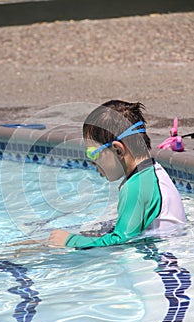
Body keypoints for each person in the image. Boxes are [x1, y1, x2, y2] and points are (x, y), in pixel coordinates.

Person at [49, 100, 186, 248]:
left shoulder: (136, 187)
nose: (92, 162)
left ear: (118, 150)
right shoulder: (151, 172)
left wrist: (71, 241)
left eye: (93, 154)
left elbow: (120, 240)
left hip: (158, 264)